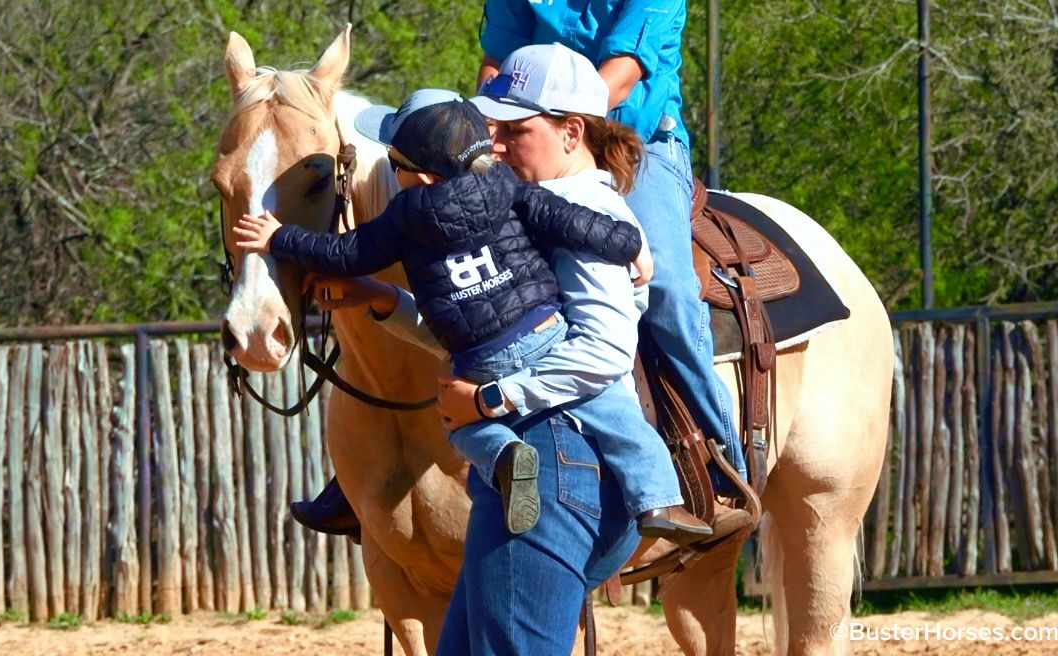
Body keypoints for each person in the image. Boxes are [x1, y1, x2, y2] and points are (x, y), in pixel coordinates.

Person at [232, 88, 693, 540]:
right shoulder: (508, 186)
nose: (392, 174)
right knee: (612, 407)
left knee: (459, 422)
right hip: (543, 330)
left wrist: (280, 238)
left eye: (394, 165)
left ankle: (504, 453)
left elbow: (346, 252)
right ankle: (658, 496)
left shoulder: (404, 216)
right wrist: (629, 243)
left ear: (422, 175)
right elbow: (570, 221)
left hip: (479, 355)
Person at [478, 0, 748, 481]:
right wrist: (489, 133)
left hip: (636, 140)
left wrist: (548, 132)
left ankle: (720, 453)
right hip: (533, 136)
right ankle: (379, 457)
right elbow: (496, 64)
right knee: (454, 249)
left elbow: (621, 75)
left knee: (666, 285)